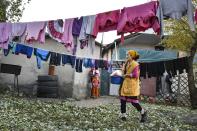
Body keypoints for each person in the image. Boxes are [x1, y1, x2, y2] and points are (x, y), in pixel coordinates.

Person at [119, 50, 147, 122]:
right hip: (125, 84)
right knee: (122, 100)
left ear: (132, 56)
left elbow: (136, 75)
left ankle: (143, 112)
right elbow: (124, 72)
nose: (126, 56)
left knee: (134, 102)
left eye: (127, 55)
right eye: (126, 55)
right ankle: (123, 115)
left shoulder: (135, 64)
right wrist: (122, 72)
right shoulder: (126, 63)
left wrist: (127, 75)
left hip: (132, 86)